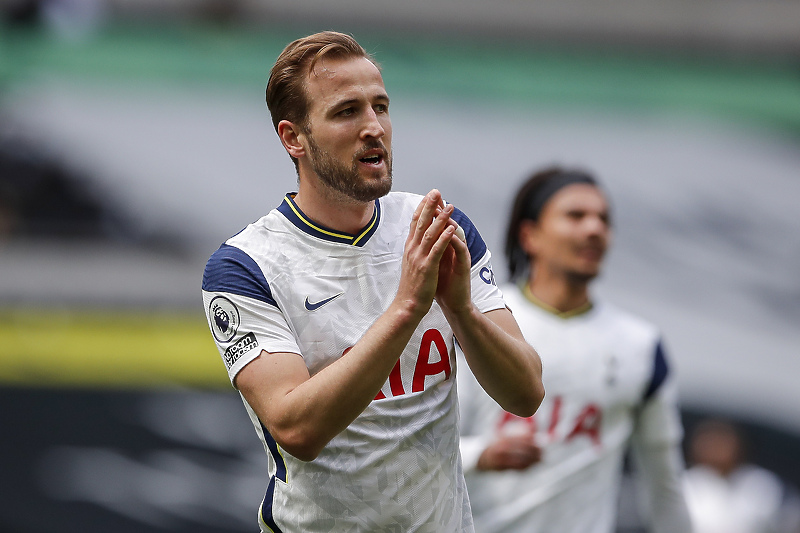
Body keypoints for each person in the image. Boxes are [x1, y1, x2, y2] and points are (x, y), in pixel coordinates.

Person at [200, 31, 544, 533]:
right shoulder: (245, 266)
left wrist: (462, 310)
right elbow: (297, 428)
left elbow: (526, 392)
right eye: (346, 112)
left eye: (380, 107)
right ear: (293, 137)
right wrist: (407, 307)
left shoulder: (435, 227)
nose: (373, 128)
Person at [457, 167, 693, 533]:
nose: (594, 229)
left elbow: (665, 486)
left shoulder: (641, 346)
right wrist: (480, 455)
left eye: (603, 219)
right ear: (529, 235)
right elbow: (422, 447)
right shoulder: (475, 324)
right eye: (575, 216)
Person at [684, 418, 800, 533]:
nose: (716, 448)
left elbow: (788, 521)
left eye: (723, 441)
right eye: (709, 442)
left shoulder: (760, 482)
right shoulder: (686, 483)